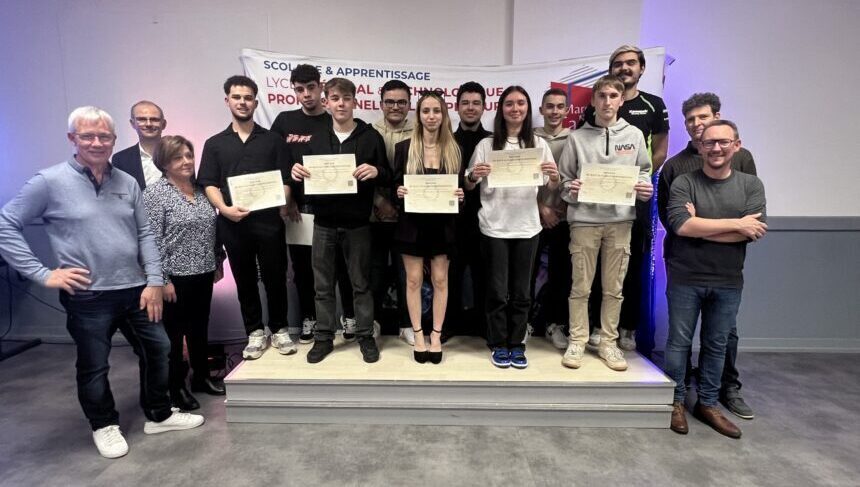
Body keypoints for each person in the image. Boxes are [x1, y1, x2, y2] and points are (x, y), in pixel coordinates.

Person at [0, 106, 203, 459]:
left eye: (104, 136)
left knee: (159, 349)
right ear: (72, 138)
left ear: (114, 139)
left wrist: (154, 280)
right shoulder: (48, 182)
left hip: (136, 289)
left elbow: (145, 233)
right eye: (87, 136)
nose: (96, 142)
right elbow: (6, 224)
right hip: (88, 296)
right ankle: (104, 424)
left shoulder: (126, 182)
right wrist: (43, 273)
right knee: (95, 365)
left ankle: (158, 414)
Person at [663, 120, 766, 438]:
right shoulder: (684, 181)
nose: (716, 148)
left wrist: (701, 225)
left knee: (717, 344)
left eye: (723, 142)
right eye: (709, 143)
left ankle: (708, 403)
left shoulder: (751, 185)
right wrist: (736, 224)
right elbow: (681, 226)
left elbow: (753, 232)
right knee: (678, 343)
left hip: (728, 278)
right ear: (700, 146)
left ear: (737, 145)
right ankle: (675, 402)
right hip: (685, 275)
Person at [558, 75, 653, 372]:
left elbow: (644, 172)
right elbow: (563, 181)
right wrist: (570, 189)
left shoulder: (635, 136)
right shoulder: (576, 138)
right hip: (584, 221)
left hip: (620, 221)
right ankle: (577, 339)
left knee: (614, 288)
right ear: (593, 100)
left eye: (613, 96)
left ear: (621, 100)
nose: (607, 102)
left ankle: (608, 343)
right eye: (602, 96)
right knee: (580, 286)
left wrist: (645, 188)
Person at [291, 77, 389, 364]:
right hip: (323, 223)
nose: (341, 104)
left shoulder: (370, 137)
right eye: (335, 98)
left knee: (361, 284)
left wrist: (377, 171)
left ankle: (365, 335)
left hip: (358, 224)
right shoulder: (317, 138)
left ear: (355, 101)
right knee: (322, 285)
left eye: (346, 98)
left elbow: (387, 173)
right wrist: (296, 173)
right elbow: (303, 178)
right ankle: (323, 337)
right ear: (326, 102)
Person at [198, 75, 296, 359]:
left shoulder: (273, 140)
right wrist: (224, 209)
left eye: (248, 98)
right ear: (227, 100)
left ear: (256, 102)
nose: (242, 102)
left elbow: (286, 179)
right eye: (237, 97)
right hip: (233, 223)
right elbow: (209, 183)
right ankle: (254, 332)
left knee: (275, 278)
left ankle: (279, 329)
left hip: (269, 223)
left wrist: (281, 200)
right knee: (244, 279)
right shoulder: (215, 144)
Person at [580, 45, 670, 354]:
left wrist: (636, 183)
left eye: (631, 63)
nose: (624, 68)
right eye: (618, 63)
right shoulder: (592, 112)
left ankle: (627, 328)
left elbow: (659, 151)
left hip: (634, 201)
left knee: (630, 266)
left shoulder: (653, 104)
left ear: (642, 68)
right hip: (596, 205)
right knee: (594, 268)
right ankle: (595, 326)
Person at [465, 86, 559, 369]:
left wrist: (554, 177)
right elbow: (468, 183)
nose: (515, 108)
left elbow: (550, 185)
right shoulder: (486, 145)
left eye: (520, 103)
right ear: (501, 109)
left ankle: (517, 343)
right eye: (509, 104)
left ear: (528, 109)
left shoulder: (538, 144)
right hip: (494, 227)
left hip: (527, 227)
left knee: (521, 293)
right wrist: (474, 175)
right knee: (496, 291)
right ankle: (497, 343)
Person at [270, 63, 356, 344]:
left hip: (332, 207)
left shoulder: (334, 120)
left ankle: (349, 316)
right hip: (298, 209)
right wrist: (288, 198)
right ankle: (310, 317)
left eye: (311, 88)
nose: (306, 94)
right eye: (300, 89)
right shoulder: (284, 121)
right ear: (294, 91)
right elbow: (274, 161)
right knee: (304, 268)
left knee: (341, 265)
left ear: (321, 87)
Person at [143, 135, 225, 411]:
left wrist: (217, 262)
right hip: (174, 278)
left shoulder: (202, 190)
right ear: (164, 163)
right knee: (174, 336)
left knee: (199, 328)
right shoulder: (155, 194)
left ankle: (201, 377)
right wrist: (162, 280)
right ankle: (176, 386)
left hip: (203, 272)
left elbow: (212, 231)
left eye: (189, 155)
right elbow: (151, 240)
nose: (186, 162)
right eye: (178, 157)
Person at [393, 91, 464, 363]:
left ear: (443, 115)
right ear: (418, 115)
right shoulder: (404, 148)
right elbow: (394, 186)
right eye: (426, 111)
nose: (431, 116)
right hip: (412, 226)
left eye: (436, 111)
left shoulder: (454, 149)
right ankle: (418, 335)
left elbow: (460, 191)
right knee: (413, 280)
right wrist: (398, 192)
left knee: (440, 280)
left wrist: (461, 196)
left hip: (443, 226)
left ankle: (436, 335)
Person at [448, 81, 492, 340]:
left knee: (483, 276)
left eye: (476, 103)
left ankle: (484, 327)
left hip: (485, 219)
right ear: (457, 107)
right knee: (450, 275)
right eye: (465, 103)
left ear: (484, 107)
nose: (471, 107)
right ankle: (449, 325)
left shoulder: (493, 142)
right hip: (452, 221)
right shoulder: (447, 141)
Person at [370, 80, 412, 344]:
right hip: (374, 214)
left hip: (407, 215)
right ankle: (373, 321)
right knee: (374, 272)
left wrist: (400, 205)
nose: (395, 107)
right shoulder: (368, 132)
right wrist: (379, 201)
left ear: (409, 105)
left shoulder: (420, 131)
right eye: (390, 102)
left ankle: (408, 323)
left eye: (401, 102)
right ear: (381, 103)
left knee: (407, 273)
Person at [533, 88, 573, 349]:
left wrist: (566, 208)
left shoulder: (575, 139)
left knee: (561, 274)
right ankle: (527, 323)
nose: (554, 111)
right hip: (532, 216)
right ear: (541, 110)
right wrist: (541, 208)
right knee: (527, 275)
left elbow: (579, 176)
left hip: (564, 218)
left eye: (560, 106)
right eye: (550, 106)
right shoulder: (530, 139)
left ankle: (555, 324)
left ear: (567, 110)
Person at [112, 100, 167, 189]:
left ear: (163, 124)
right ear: (132, 123)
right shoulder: (120, 160)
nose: (148, 124)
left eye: (154, 119)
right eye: (142, 119)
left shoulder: (181, 155)